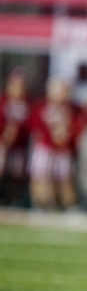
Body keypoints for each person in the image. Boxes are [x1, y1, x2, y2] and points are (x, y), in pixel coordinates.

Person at [28, 78, 82, 209]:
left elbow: (76, 127)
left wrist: (66, 135)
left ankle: (68, 204)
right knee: (40, 175)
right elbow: (35, 127)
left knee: (64, 177)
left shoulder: (71, 109)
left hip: (62, 149)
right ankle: (40, 203)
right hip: (44, 147)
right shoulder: (42, 106)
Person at [0, 68, 31, 206]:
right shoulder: (3, 102)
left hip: (19, 145)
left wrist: (18, 131)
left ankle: (14, 200)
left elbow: (30, 124)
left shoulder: (27, 104)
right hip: (2, 143)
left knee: (17, 174)